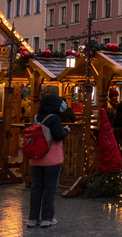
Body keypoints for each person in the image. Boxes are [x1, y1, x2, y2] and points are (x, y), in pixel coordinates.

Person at [28, 94, 70, 228]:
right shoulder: (54, 118)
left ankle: (33, 219)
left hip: (35, 158)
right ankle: (47, 218)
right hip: (51, 159)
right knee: (49, 188)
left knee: (36, 188)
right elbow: (58, 136)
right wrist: (65, 131)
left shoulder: (36, 117)